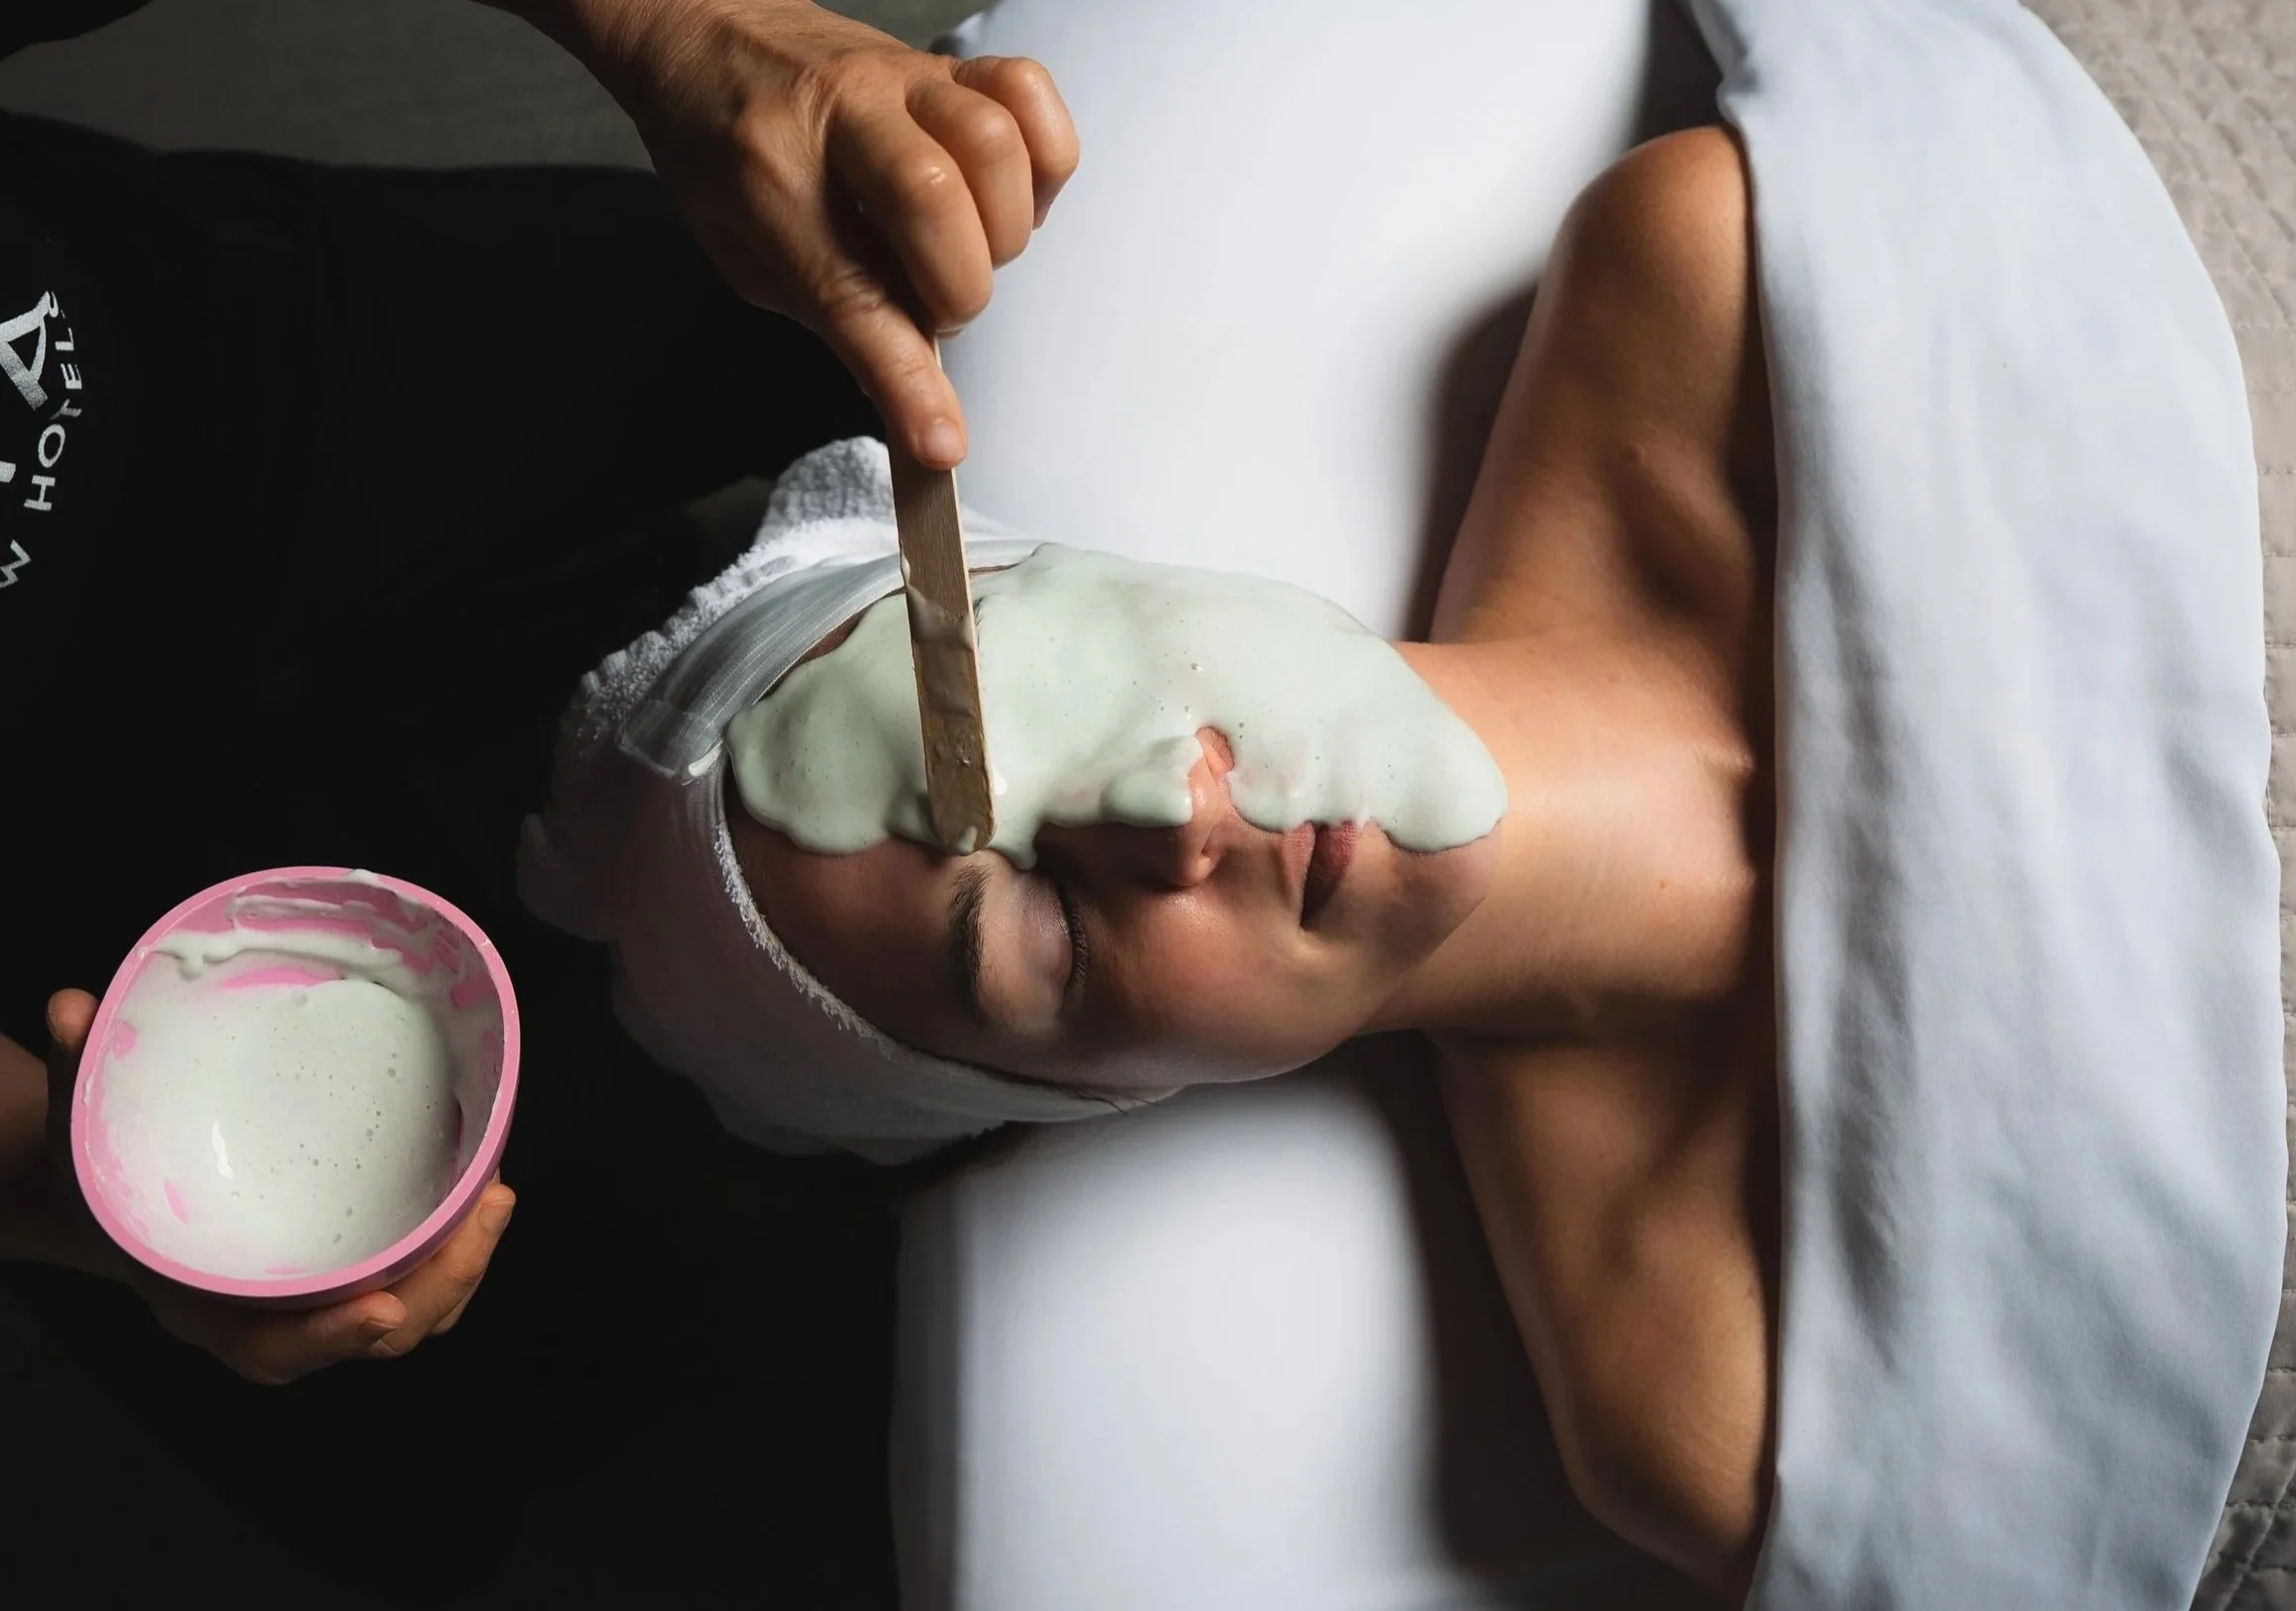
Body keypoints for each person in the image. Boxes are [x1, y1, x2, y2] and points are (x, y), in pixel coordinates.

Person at [531, 125, 1778, 1602]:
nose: (1165, 812)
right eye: (1049, 936)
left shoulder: (1702, 277)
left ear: (1110, 570)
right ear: (1105, 1092)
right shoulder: (1709, 1396)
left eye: (1039, 698)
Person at [0, 0, 1072, 1382]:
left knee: (832, 306)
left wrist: (679, 25)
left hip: (190, 343)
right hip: (63, 846)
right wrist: (65, 1194)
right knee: (518, 1287)